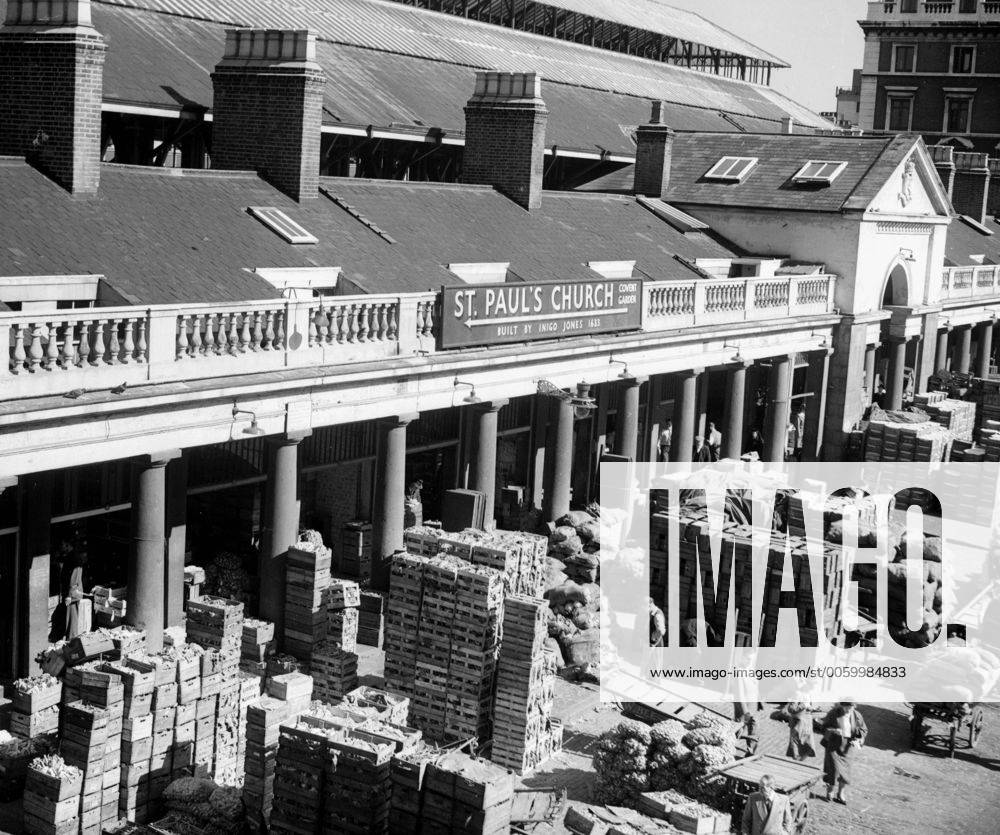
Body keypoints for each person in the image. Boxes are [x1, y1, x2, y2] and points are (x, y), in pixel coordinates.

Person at [819, 701, 867, 805]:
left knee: (846, 771)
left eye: (850, 708)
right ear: (842, 706)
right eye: (846, 708)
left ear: (854, 706)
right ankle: (830, 790)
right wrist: (833, 730)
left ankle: (841, 793)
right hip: (834, 745)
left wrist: (859, 738)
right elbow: (823, 727)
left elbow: (864, 729)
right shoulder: (833, 713)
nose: (848, 710)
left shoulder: (857, 715)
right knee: (833, 769)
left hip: (848, 747)